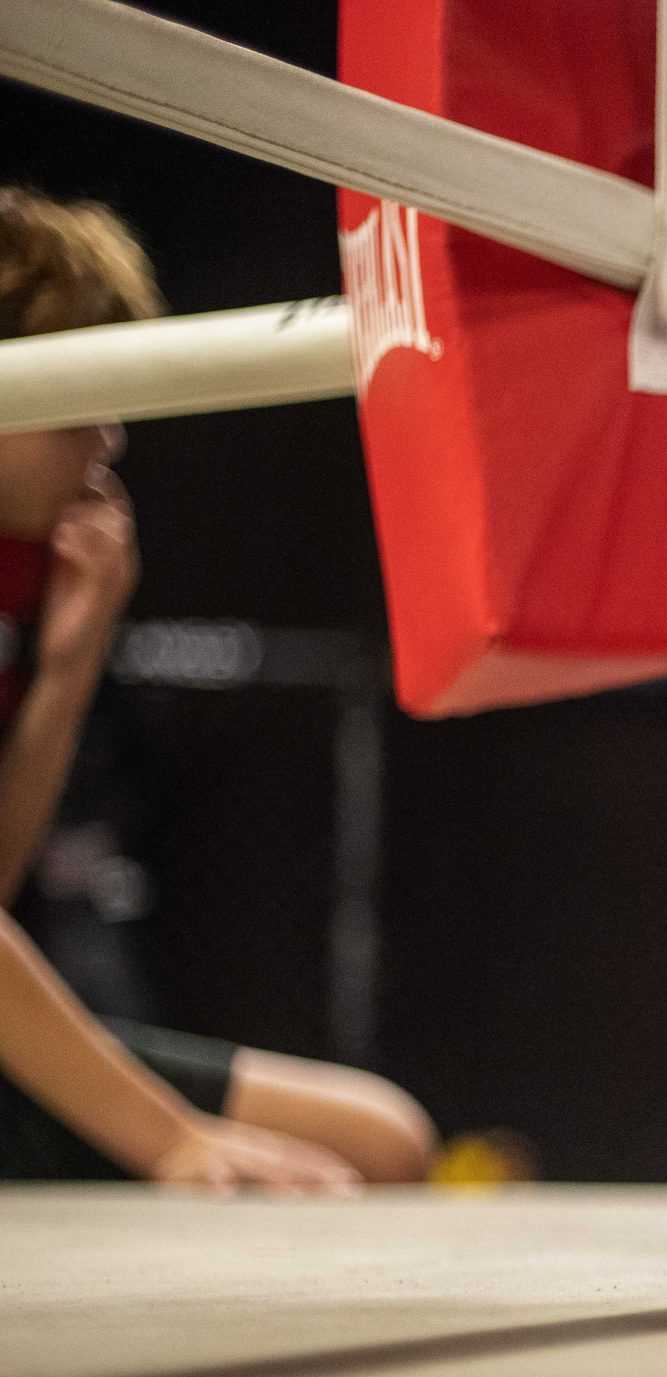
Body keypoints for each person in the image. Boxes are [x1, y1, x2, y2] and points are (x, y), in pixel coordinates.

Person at [0, 185, 432, 1190]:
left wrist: (67, 665)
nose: (108, 439)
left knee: (381, 1140)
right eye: (73, 395)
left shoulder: (23, 578)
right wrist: (171, 1140)